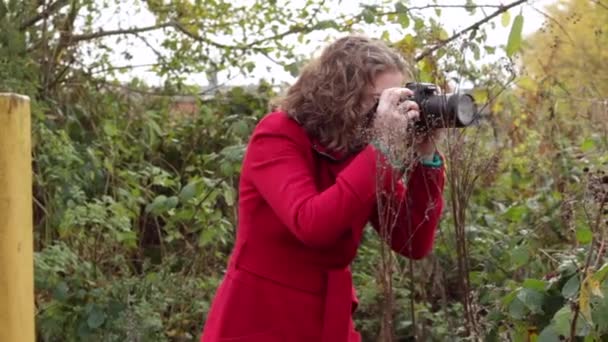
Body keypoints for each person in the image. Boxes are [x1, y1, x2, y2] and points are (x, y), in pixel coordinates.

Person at [200, 34, 446, 342]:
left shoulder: (360, 149)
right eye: (379, 100)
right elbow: (312, 223)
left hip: (329, 320)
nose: (388, 111)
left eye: (395, 99)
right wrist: (382, 150)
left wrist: (425, 156)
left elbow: (411, 241)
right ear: (338, 94)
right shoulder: (278, 134)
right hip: (260, 320)